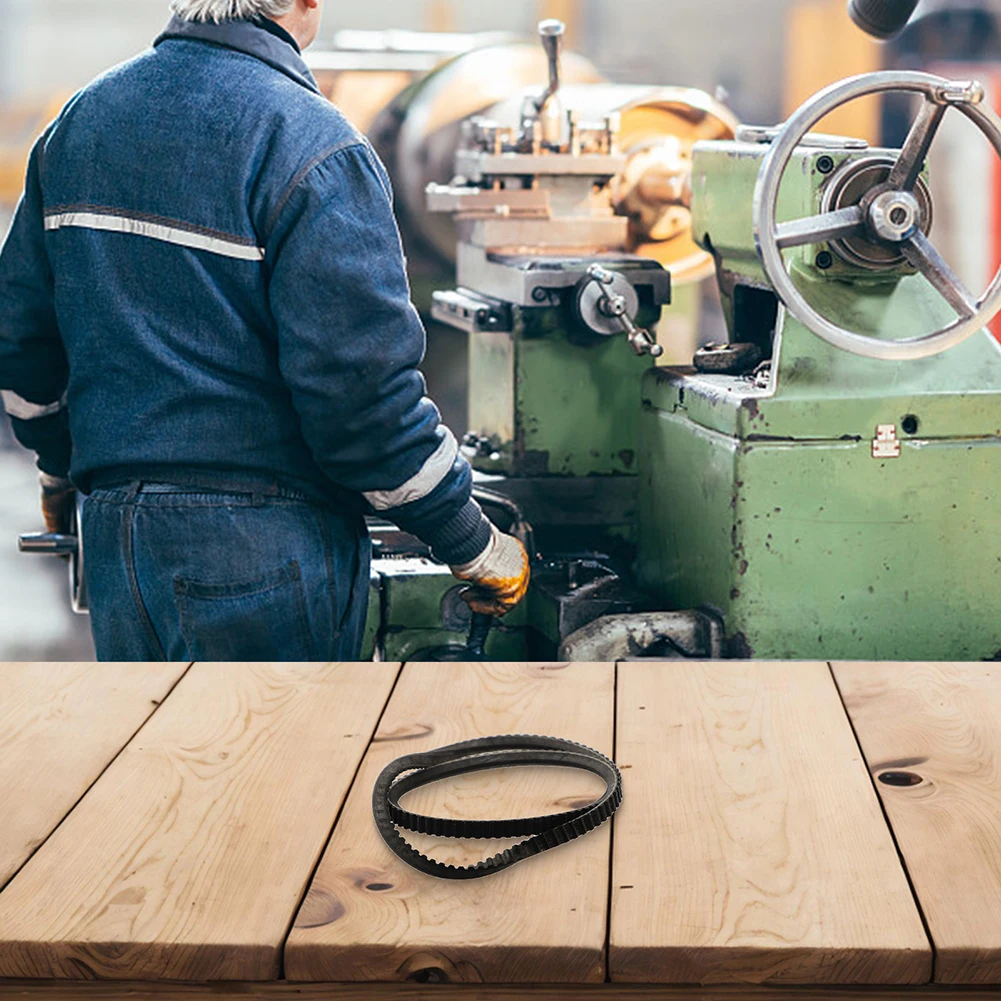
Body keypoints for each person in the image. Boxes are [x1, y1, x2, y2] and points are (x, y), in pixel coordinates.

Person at [0, 0, 529, 661]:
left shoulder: (79, 123)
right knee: (269, 763)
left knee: (154, 760)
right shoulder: (312, 144)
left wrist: (57, 468)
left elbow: (22, 349)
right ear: (306, 3)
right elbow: (358, 400)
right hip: (260, 548)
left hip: (116, 542)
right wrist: (470, 539)